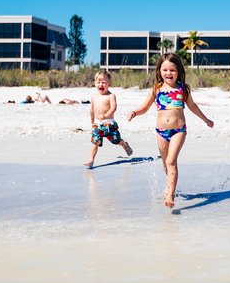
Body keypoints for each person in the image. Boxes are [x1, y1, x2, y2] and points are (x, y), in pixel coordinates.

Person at [128, 53, 214, 208]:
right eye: (165, 70)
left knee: (171, 161)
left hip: (178, 131)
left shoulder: (183, 88)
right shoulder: (156, 89)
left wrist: (206, 120)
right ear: (159, 71)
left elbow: (192, 106)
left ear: (178, 71)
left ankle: (170, 195)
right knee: (165, 163)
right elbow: (144, 107)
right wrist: (134, 112)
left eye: (172, 70)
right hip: (161, 132)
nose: (168, 73)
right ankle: (169, 185)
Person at [82, 70, 133, 169]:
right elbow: (92, 109)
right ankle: (91, 160)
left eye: (104, 82)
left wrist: (106, 115)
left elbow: (113, 108)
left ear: (109, 84)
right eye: (98, 82)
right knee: (95, 142)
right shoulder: (94, 96)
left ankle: (123, 144)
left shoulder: (111, 96)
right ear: (95, 83)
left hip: (109, 124)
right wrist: (92, 119)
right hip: (97, 125)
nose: (101, 84)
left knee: (116, 140)